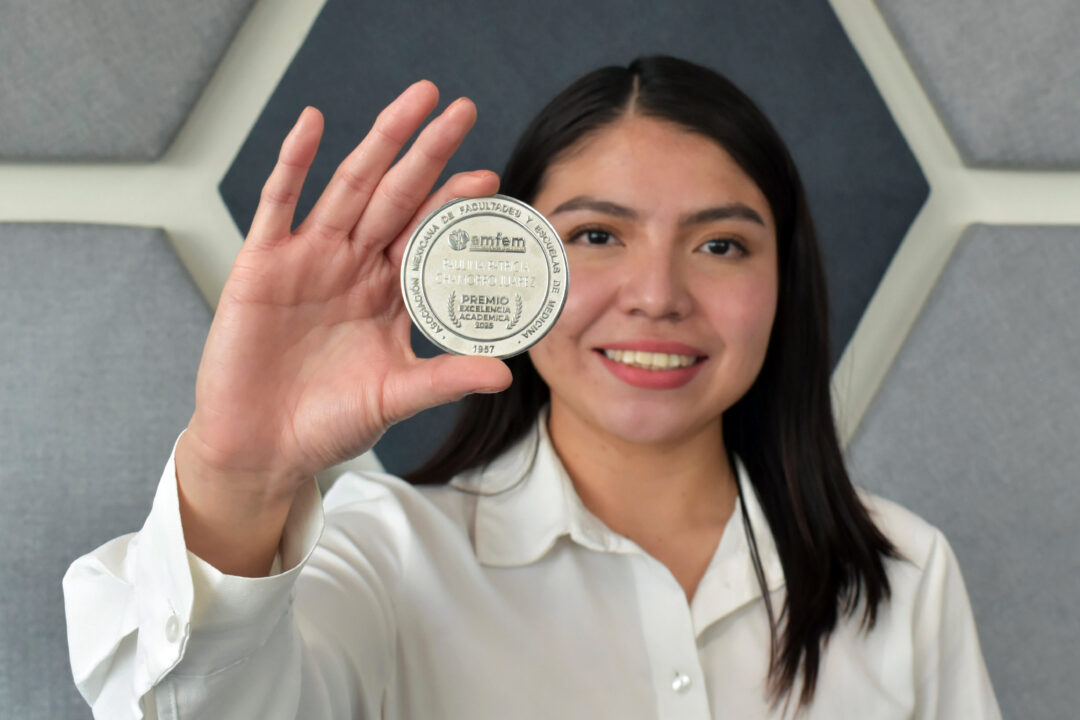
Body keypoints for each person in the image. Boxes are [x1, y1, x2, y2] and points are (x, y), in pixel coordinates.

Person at [63, 56, 1001, 719]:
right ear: (511, 271)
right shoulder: (388, 552)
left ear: (784, 282)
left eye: (721, 245)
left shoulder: (906, 574)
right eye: (596, 235)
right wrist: (238, 473)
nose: (658, 296)